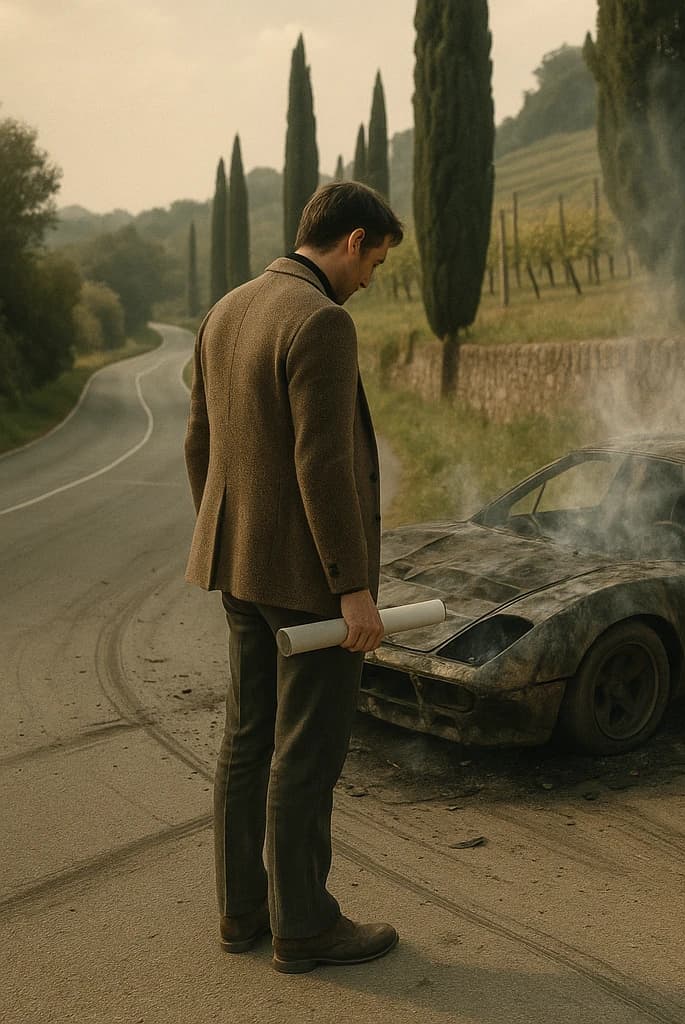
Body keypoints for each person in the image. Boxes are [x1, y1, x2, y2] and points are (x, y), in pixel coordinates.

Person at [184, 181, 403, 974]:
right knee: (306, 752)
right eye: (374, 262)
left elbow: (198, 443)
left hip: (237, 566)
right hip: (308, 582)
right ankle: (304, 926)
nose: (370, 280)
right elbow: (323, 464)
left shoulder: (227, 309)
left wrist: (227, 537)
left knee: (247, 739)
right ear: (351, 241)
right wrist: (352, 588)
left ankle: (241, 911)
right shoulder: (321, 321)